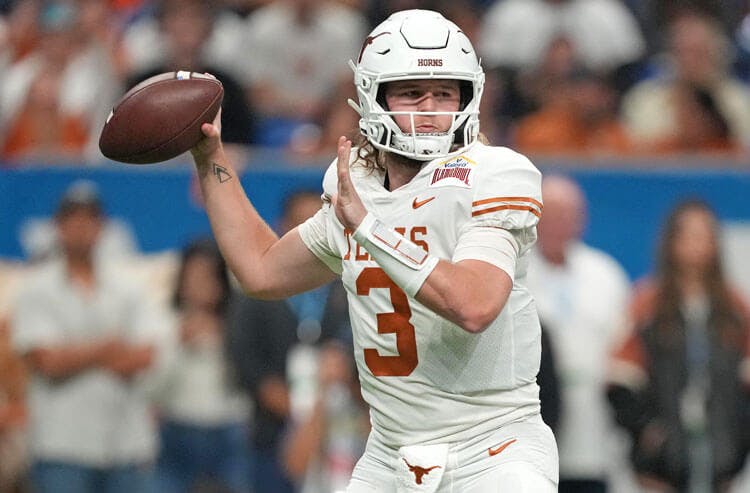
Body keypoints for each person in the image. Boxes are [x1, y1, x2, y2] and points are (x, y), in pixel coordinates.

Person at [191, 9, 558, 492]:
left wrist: (369, 228)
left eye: (445, 93)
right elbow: (261, 271)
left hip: (492, 448)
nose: (429, 108)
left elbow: (473, 305)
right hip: (390, 454)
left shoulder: (492, 174)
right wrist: (210, 156)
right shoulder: (357, 188)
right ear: (373, 95)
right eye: (411, 92)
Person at [10, 180, 170, 493]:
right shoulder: (35, 289)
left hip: (125, 444)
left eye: (90, 219)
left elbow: (145, 356)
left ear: (102, 226)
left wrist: (76, 355)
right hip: (61, 445)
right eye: (73, 219)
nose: (81, 227)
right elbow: (47, 363)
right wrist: (108, 348)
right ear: (57, 226)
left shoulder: (129, 286)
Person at [607, 199, 750, 492]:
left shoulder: (734, 308)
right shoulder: (647, 304)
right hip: (662, 466)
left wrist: (740, 439)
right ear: (671, 241)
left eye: (706, 235)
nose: (698, 244)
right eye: (689, 235)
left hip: (721, 460)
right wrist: (646, 431)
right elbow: (620, 379)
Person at [226, 190, 351, 493]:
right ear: (283, 226)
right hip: (271, 436)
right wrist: (304, 419)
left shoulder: (350, 288)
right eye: (300, 225)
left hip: (342, 437)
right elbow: (249, 367)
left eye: (318, 224)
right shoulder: (255, 294)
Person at [527, 175, 632, 493]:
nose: (558, 225)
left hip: (594, 431)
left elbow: (624, 346)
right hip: (530, 425)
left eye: (566, 216)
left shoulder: (605, 274)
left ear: (581, 220)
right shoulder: (514, 273)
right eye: (550, 216)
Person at [155, 238, 253, 493]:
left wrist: (226, 339)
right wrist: (178, 344)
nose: (200, 284)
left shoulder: (240, 322)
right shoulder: (163, 321)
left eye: (208, 276)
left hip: (229, 432)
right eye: (193, 275)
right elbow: (152, 390)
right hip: (178, 430)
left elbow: (250, 378)